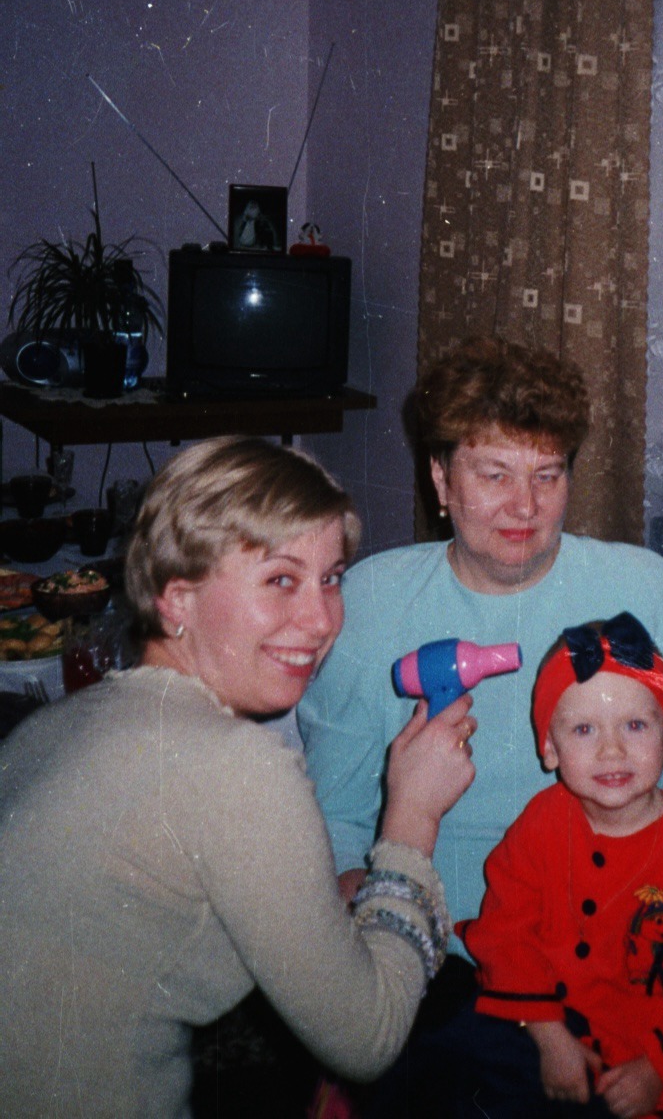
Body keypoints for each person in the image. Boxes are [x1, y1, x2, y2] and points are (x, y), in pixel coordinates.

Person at [297, 335, 663, 1111]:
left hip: (615, 943)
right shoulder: (368, 602)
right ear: (441, 480)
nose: (524, 506)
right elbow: (333, 813)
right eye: (492, 474)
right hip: (442, 946)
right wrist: (365, 929)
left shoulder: (638, 588)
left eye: (547, 474)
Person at [0, 436, 476, 1119]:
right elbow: (367, 1040)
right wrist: (412, 819)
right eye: (281, 579)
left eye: (332, 577)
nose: (321, 621)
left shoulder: (57, 722)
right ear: (176, 600)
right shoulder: (238, 766)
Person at [459, 614, 663, 1118]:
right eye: (584, 729)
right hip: (540, 1023)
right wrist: (549, 1037)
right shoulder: (540, 824)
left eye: (635, 725)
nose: (612, 749)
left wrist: (657, 1070)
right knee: (456, 1063)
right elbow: (505, 930)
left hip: (641, 1053)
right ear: (550, 750)